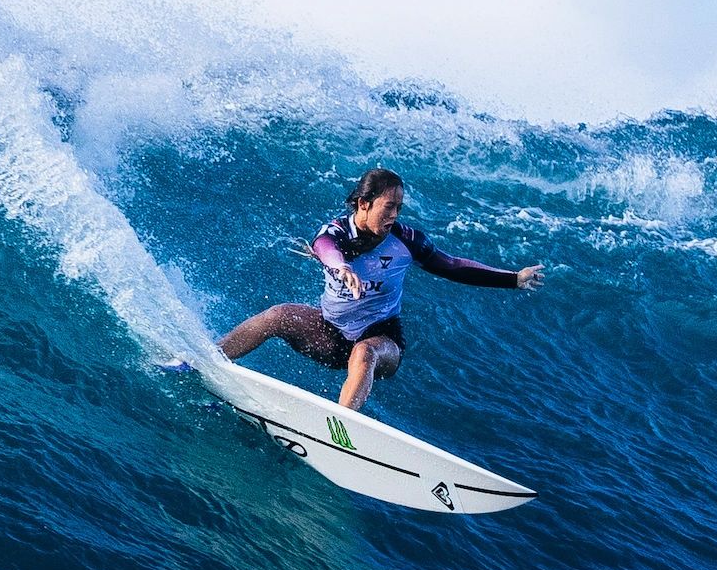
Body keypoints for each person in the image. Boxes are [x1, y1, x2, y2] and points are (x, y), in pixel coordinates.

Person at [218, 167, 544, 410]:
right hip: (331, 333)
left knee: (365, 352)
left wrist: (512, 278)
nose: (395, 215)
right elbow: (325, 247)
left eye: (399, 208)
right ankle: (209, 360)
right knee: (278, 315)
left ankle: (340, 427)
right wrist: (341, 267)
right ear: (363, 203)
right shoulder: (335, 233)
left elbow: (452, 266)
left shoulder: (407, 240)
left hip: (383, 339)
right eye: (389, 206)